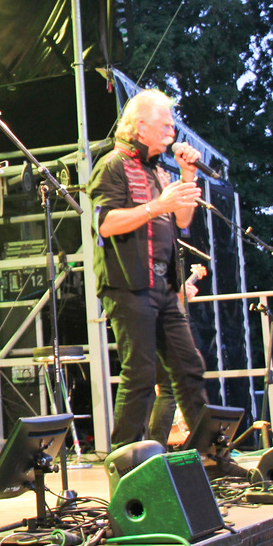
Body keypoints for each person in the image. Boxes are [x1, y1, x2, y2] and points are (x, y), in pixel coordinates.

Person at [89, 89, 211, 453]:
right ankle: (127, 461)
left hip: (164, 285)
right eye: (165, 124)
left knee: (188, 368)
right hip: (129, 284)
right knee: (140, 374)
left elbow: (182, 220)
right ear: (140, 126)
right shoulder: (112, 164)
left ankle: (208, 454)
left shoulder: (157, 169)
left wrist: (188, 175)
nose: (172, 130)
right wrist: (158, 205)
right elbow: (106, 224)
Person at [148, 263, 208, 446]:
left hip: (153, 324)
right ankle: (157, 444)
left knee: (167, 390)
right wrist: (182, 295)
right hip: (162, 327)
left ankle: (156, 445)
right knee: (168, 390)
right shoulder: (158, 266)